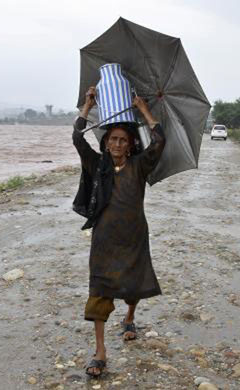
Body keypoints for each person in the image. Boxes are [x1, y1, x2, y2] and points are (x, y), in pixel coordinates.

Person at [72, 86, 166, 377]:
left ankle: (129, 317)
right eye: (112, 139)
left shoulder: (139, 166)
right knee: (100, 290)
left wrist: (143, 110)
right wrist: (88, 106)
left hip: (134, 236)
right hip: (104, 239)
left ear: (130, 145)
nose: (116, 143)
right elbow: (77, 137)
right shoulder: (96, 164)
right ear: (106, 142)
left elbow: (159, 140)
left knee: (132, 284)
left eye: (122, 140)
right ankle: (100, 352)